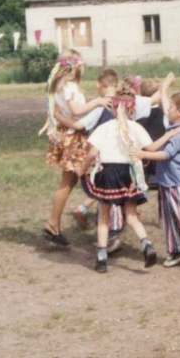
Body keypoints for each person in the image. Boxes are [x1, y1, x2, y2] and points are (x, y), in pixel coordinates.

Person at [77, 85, 158, 273]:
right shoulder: (136, 127)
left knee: (104, 216)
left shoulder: (104, 128)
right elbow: (151, 149)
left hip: (108, 173)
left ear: (113, 108)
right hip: (129, 173)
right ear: (132, 108)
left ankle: (102, 256)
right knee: (131, 216)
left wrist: (82, 170)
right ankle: (146, 244)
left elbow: (92, 153)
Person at [132, 74, 180, 268]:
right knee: (168, 218)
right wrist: (164, 89)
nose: (168, 110)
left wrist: (143, 155)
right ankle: (177, 249)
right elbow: (166, 107)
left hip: (177, 183)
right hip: (166, 182)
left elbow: (165, 155)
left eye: (172, 108)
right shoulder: (173, 126)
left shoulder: (179, 133)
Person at [41, 50, 111, 246]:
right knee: (70, 180)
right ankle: (54, 223)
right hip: (73, 137)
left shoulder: (59, 86)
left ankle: (57, 222)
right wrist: (97, 102)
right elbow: (76, 111)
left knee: (70, 181)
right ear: (75, 67)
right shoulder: (69, 86)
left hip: (69, 133)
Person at [54, 69, 125, 253]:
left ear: (99, 86)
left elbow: (78, 125)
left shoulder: (100, 108)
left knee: (106, 195)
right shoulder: (126, 103)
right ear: (116, 85)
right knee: (122, 193)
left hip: (106, 158)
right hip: (125, 156)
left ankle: (110, 234)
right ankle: (123, 232)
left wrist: (59, 116)